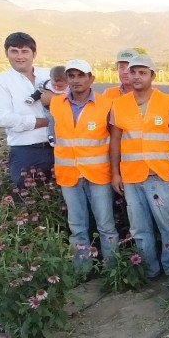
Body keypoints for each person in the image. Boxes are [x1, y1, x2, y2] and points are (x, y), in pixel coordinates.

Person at [108, 54, 169, 282]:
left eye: (142, 72)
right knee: (139, 228)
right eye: (133, 72)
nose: (137, 77)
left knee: (167, 226)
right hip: (131, 177)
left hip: (159, 175)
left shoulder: (167, 102)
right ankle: (150, 270)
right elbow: (115, 141)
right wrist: (115, 173)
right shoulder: (119, 105)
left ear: (153, 75)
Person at [49, 59, 119, 268]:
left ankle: (112, 271)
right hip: (69, 176)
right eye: (71, 76)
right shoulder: (56, 104)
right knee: (77, 227)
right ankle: (82, 270)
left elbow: (114, 140)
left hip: (98, 175)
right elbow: (53, 135)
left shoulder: (106, 105)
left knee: (106, 225)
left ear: (91, 79)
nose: (76, 80)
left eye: (81, 75)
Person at [0, 32, 53, 189]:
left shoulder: (49, 75)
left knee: (61, 200)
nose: (20, 56)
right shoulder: (1, 81)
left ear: (34, 53)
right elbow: (3, 119)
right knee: (29, 202)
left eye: (25, 51)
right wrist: (48, 122)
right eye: (14, 51)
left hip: (59, 148)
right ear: (7, 53)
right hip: (25, 153)